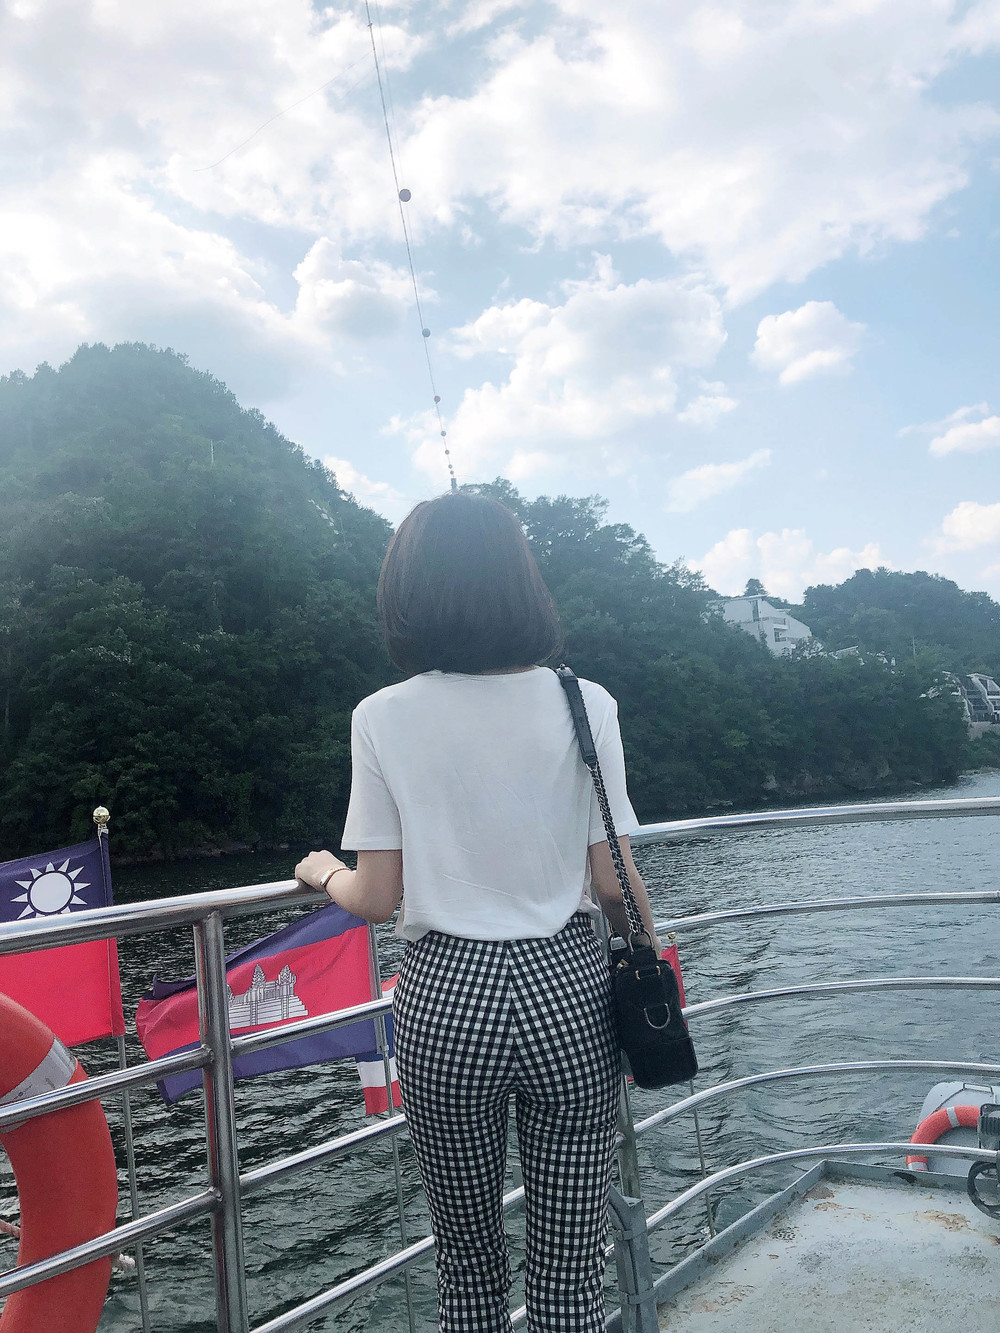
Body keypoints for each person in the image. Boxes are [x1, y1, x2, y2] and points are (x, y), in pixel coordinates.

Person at [295, 491, 661, 1333]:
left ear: (408, 592)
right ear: (521, 582)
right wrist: (654, 963)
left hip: (447, 995)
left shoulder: (382, 715)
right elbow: (612, 884)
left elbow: (376, 897)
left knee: (467, 1265)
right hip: (568, 987)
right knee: (570, 1270)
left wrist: (322, 871)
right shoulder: (585, 701)